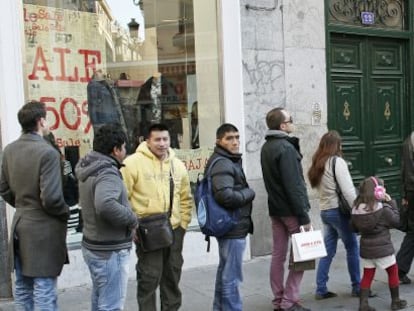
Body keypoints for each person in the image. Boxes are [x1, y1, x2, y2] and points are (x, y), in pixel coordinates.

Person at [0, 100, 70, 310]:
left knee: (23, 288)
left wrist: (22, 204)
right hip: (43, 228)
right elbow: (51, 198)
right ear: (41, 121)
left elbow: (3, 188)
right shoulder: (47, 153)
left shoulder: (9, 150)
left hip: (20, 224)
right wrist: (65, 211)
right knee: (43, 289)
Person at [121, 123, 193, 311]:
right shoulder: (132, 163)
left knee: (172, 276)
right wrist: (132, 225)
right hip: (148, 231)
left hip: (175, 230)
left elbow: (186, 197)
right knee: (149, 278)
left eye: (165, 139)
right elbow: (122, 198)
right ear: (147, 141)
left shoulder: (177, 165)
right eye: (157, 139)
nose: (162, 144)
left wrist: (183, 224)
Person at [75, 124, 138, 310]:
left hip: (95, 246)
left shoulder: (91, 167)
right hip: (109, 251)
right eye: (124, 147)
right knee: (111, 305)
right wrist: (132, 218)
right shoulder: (108, 172)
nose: (125, 151)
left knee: (100, 300)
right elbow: (105, 204)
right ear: (116, 149)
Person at [260, 107, 312, 311]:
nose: (292, 122)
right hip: (291, 211)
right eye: (290, 119)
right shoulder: (285, 148)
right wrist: (304, 216)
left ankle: (279, 299)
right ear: (282, 125)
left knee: (278, 255)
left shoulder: (267, 147)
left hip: (276, 209)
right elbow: (294, 186)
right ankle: (289, 300)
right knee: (303, 254)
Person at [206, 123, 255, 311]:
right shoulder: (224, 162)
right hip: (232, 226)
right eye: (229, 138)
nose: (235, 141)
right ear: (219, 141)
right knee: (231, 277)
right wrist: (248, 194)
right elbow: (225, 196)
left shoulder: (227, 159)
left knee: (225, 272)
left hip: (231, 224)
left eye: (237, 137)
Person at [307, 131, 361, 299]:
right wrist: (357, 209)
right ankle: (357, 287)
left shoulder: (318, 163)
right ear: (336, 145)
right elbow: (348, 190)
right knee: (352, 247)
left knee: (327, 250)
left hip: (325, 211)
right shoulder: (337, 162)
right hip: (339, 211)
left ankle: (321, 288)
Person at [351, 177, 407, 311]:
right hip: (383, 249)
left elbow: (353, 228)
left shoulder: (356, 209)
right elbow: (396, 222)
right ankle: (395, 301)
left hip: (366, 250)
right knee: (393, 271)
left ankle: (363, 304)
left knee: (368, 274)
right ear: (378, 192)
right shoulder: (384, 209)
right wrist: (391, 202)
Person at [396, 132, 414, 284]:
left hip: (411, 191)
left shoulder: (408, 142)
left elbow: (403, 172)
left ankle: (400, 269)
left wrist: (405, 195)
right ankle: (399, 269)